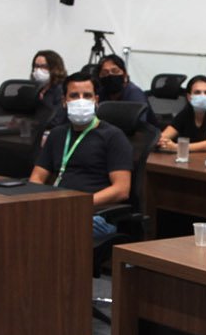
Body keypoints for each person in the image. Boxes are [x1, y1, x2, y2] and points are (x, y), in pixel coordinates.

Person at [29, 71, 132, 244]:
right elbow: (37, 177)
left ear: (96, 100)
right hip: (58, 208)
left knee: (49, 228)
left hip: (95, 214)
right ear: (64, 101)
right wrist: (44, 202)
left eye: (87, 96)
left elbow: (121, 189)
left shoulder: (113, 136)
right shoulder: (57, 134)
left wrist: (78, 204)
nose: (81, 100)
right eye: (74, 96)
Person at [158, 75, 206, 153]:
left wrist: (177, 147)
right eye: (197, 92)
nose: (203, 96)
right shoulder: (185, 114)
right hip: (188, 158)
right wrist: (162, 142)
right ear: (189, 97)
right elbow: (163, 137)